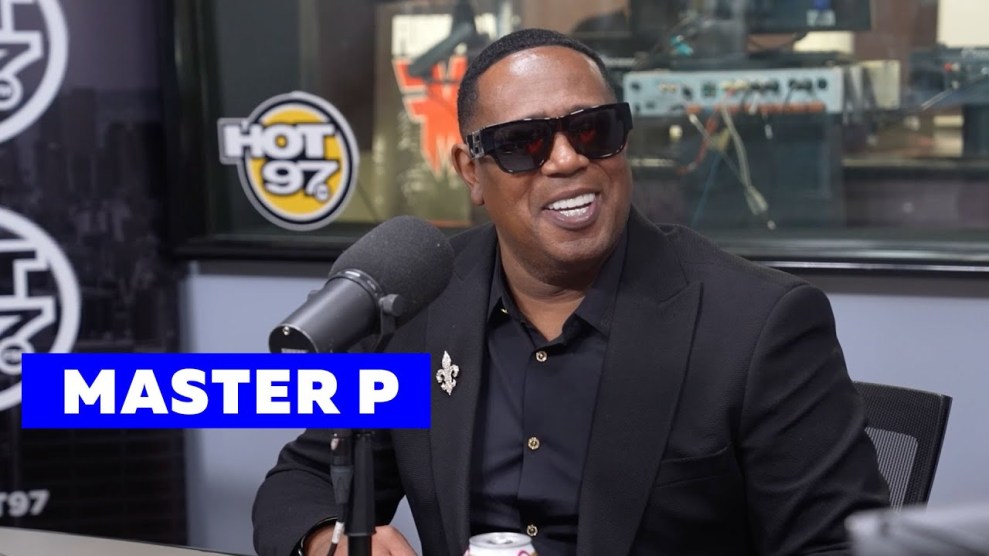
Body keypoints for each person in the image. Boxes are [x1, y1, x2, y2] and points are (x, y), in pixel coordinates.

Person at [253, 28, 889, 556]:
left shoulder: (758, 324)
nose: (565, 160)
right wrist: (326, 538)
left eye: (593, 130)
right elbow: (304, 477)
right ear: (471, 172)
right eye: (521, 143)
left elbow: (837, 547)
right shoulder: (420, 301)